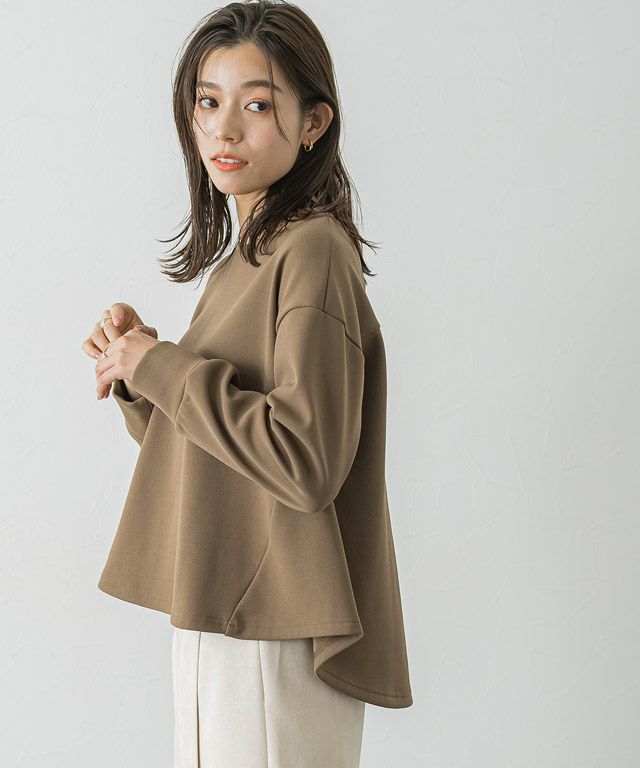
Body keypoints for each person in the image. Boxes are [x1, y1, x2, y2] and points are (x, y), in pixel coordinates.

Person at [81, 2, 413, 766]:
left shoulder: (311, 251)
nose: (224, 129)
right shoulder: (251, 255)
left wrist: (163, 367)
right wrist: (139, 371)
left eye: (257, 105)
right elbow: (222, 452)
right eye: (208, 101)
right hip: (229, 610)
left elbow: (304, 461)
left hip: (273, 631)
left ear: (313, 123)